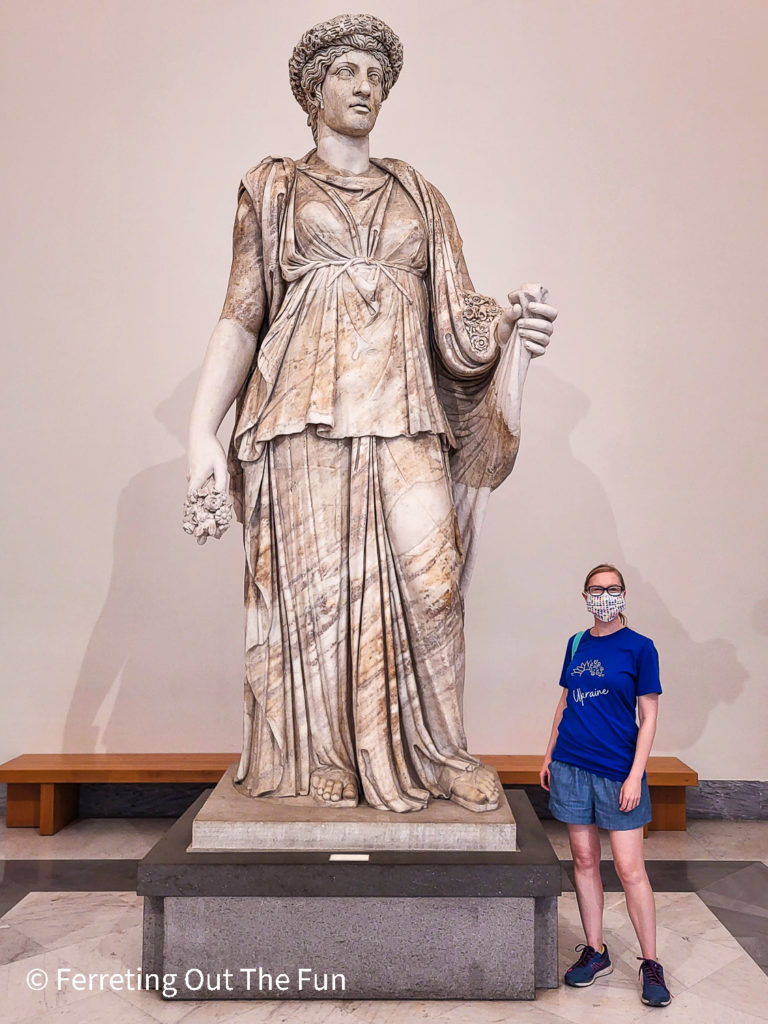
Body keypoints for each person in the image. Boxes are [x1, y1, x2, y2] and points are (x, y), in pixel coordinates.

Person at [187, 14, 557, 815]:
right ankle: (321, 759)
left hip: (405, 409)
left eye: (376, 78)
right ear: (314, 89)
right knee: (316, 597)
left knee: (432, 584)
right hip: (300, 414)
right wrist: (200, 433)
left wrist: (510, 327)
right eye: (349, 72)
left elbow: (457, 321)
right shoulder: (273, 187)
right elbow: (242, 315)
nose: (365, 88)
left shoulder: (418, 193)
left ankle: (437, 752)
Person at [539, 564, 672, 1008]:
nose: (605, 596)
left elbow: (648, 716)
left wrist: (636, 774)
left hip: (618, 771)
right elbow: (565, 702)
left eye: (612, 589)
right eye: (597, 589)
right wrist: (548, 755)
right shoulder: (575, 644)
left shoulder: (640, 648)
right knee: (583, 859)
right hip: (571, 765)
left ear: (624, 594)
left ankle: (651, 962)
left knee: (631, 869)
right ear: (585, 596)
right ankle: (595, 952)